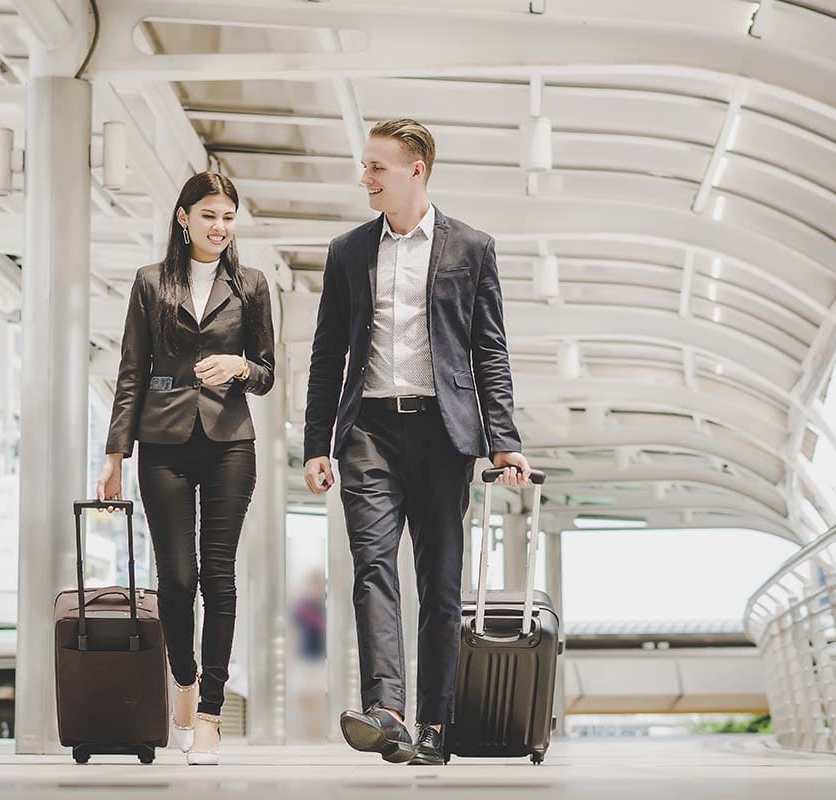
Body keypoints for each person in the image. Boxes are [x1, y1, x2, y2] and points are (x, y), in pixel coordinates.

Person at [303, 119, 529, 766]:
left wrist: (504, 441)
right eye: (365, 166)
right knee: (373, 568)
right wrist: (318, 442)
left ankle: (434, 726)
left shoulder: (472, 248)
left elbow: (490, 351)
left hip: (444, 432)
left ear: (416, 171)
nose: (365, 177)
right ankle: (388, 712)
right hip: (368, 429)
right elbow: (326, 356)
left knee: (441, 582)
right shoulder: (348, 250)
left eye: (377, 167)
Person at [96, 172, 275, 765]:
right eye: (208, 216)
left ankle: (209, 716)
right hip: (163, 438)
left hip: (230, 440)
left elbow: (269, 372)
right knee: (176, 577)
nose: (219, 227)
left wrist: (240, 366)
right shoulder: (152, 283)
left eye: (228, 217)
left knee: (218, 575)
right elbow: (130, 371)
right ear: (183, 217)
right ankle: (185, 677)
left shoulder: (251, 285)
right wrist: (114, 453)